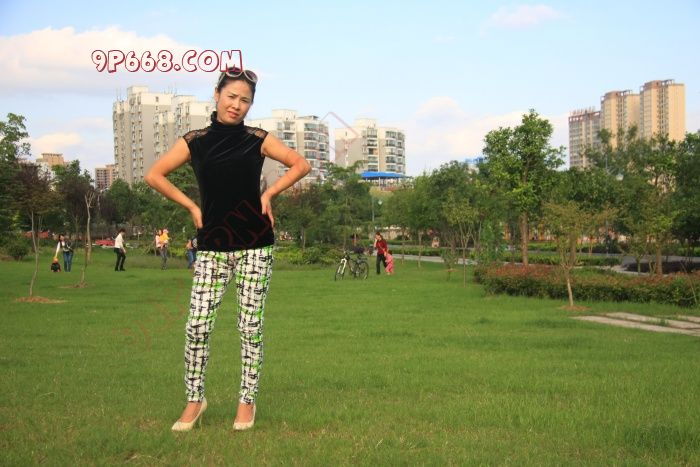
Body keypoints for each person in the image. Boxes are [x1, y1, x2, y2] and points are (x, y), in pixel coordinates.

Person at [145, 66, 311, 432]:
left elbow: (301, 164)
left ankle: (247, 401)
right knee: (197, 326)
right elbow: (154, 175)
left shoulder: (257, 138)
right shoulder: (195, 140)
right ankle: (195, 400)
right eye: (232, 96)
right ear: (217, 95)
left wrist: (269, 193)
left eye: (245, 100)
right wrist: (192, 207)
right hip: (211, 247)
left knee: (250, 327)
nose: (237, 105)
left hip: (256, 245)